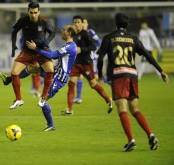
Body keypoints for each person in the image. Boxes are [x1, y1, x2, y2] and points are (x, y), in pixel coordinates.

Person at [97, 13, 169, 152]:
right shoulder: (133, 38)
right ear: (127, 25)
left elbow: (100, 58)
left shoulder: (109, 37)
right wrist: (161, 71)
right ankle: (151, 135)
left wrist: (100, 74)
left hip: (119, 75)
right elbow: (148, 55)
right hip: (132, 75)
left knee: (122, 110)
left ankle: (131, 141)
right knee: (135, 109)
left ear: (115, 23)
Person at [0, 25, 79, 131]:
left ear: (69, 33)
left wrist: (35, 48)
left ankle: (51, 125)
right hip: (55, 73)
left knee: (43, 100)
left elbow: (52, 55)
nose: (61, 30)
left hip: (59, 78)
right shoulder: (69, 45)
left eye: (64, 30)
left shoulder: (70, 47)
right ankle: (9, 79)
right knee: (33, 68)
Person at [9, 1, 56, 110]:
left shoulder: (44, 21)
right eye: (31, 12)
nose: (33, 15)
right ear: (28, 12)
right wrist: (13, 45)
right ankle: (19, 99)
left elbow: (52, 32)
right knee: (14, 73)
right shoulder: (23, 21)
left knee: (50, 70)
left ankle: (43, 97)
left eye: (35, 12)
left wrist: (47, 42)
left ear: (39, 12)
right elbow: (14, 31)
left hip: (40, 51)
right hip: (27, 51)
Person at [62, 15, 112, 115]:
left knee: (93, 84)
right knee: (71, 83)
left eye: (78, 22)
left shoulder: (85, 34)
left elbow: (93, 46)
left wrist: (82, 50)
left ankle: (108, 100)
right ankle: (70, 109)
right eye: (74, 22)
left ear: (82, 23)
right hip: (76, 63)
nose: (76, 24)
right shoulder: (72, 34)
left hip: (86, 63)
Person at [73, 18, 101, 104]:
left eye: (84, 23)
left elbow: (98, 43)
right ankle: (78, 97)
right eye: (82, 23)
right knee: (79, 77)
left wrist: (87, 49)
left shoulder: (90, 32)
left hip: (91, 58)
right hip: (81, 59)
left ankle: (111, 82)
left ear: (87, 24)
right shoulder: (77, 33)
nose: (83, 24)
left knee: (95, 78)